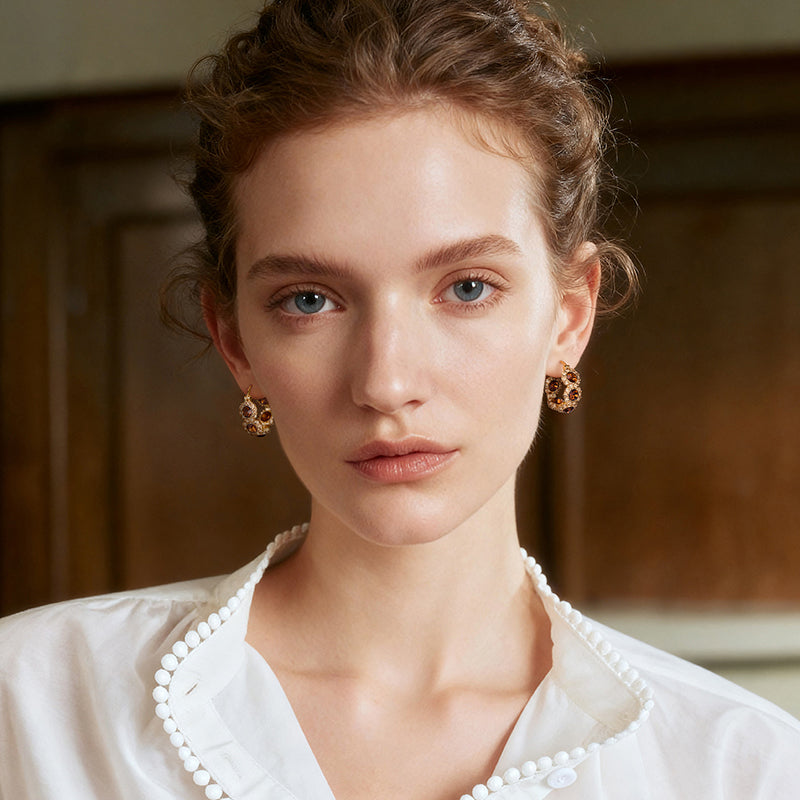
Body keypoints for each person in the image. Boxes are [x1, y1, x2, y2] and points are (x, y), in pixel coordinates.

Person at [1, 1, 799, 798]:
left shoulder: (742, 768)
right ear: (235, 340)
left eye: (467, 287)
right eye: (309, 300)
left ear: (569, 315)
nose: (386, 383)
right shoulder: (33, 707)